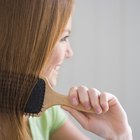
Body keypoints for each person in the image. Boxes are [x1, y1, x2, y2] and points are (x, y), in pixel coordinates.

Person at [0, 0, 133, 140]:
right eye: (64, 38)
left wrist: (120, 135)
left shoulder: (46, 113)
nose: (70, 53)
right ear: (24, 43)